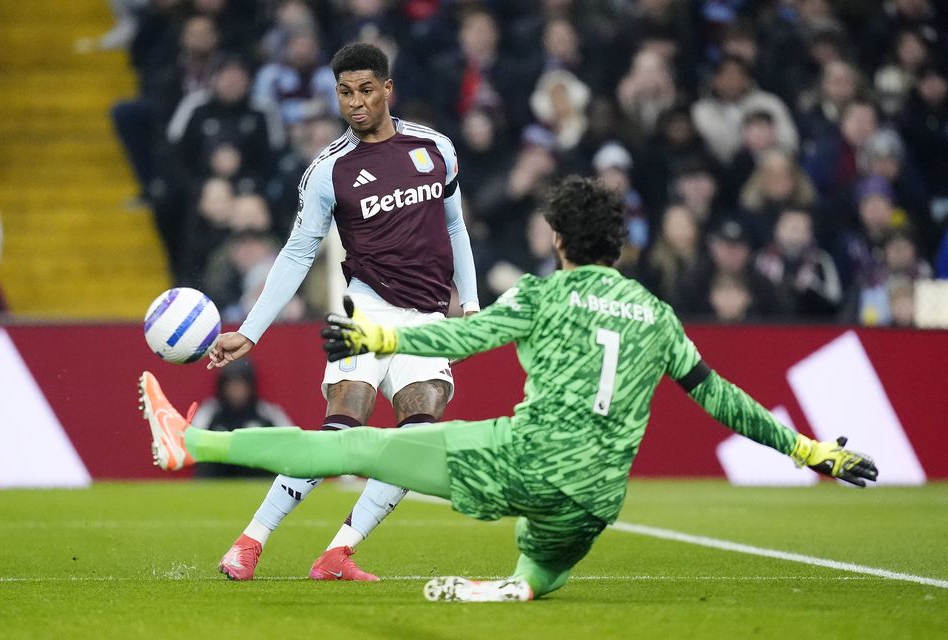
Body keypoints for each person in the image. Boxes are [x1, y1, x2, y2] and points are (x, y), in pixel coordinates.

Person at [139, 175, 878, 603]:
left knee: (357, 442)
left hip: (517, 459)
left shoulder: (543, 296)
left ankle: (190, 440)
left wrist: (380, 338)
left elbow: (460, 336)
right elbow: (721, 398)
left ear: (559, 241)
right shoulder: (658, 317)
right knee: (545, 554)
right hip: (595, 498)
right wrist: (808, 448)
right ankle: (518, 586)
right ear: (619, 246)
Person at [204, 43, 480, 582]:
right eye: (345, 92)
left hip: (426, 319)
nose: (355, 103)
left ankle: (339, 553)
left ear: (387, 90)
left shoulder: (435, 148)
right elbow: (299, 251)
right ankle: (250, 541)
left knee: (415, 441)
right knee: (342, 431)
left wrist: (469, 304)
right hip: (367, 312)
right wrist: (251, 332)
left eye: (365, 90)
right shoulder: (329, 170)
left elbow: (455, 228)